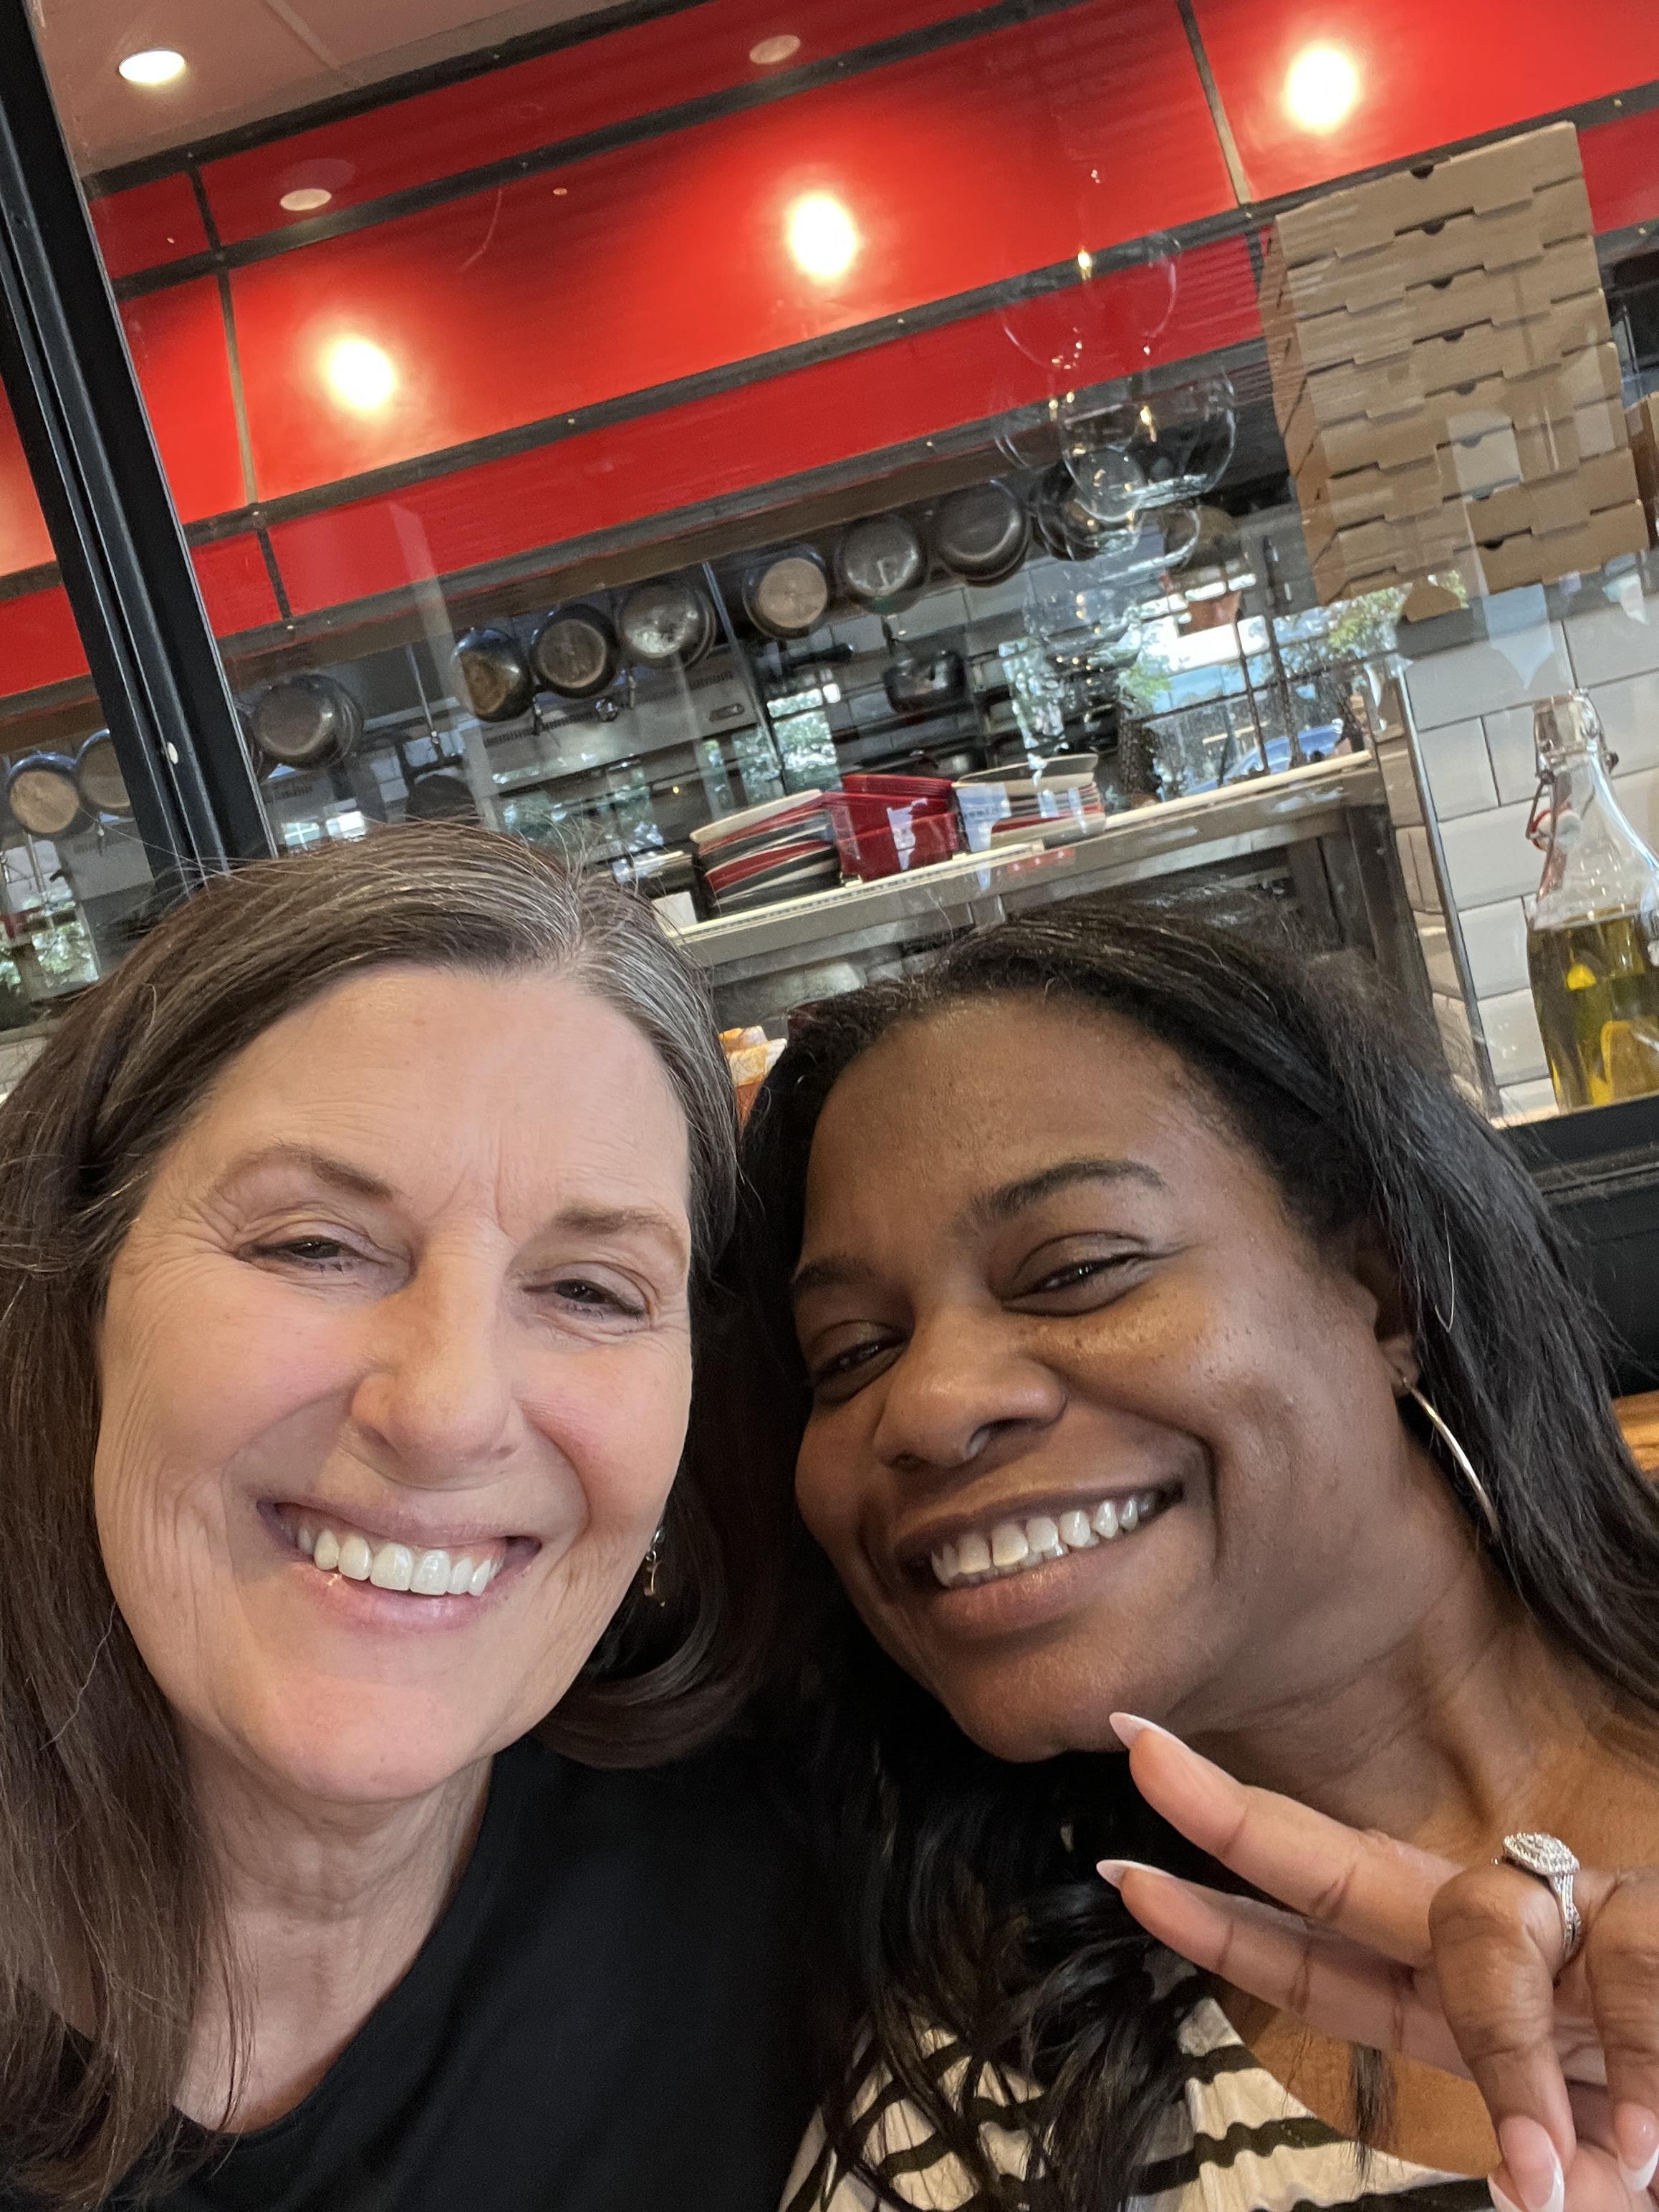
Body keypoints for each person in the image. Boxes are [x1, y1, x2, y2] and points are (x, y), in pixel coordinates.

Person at [721, 892, 1659, 2212]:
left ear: (1382, 1289)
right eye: (852, 1353)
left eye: (1074, 1269)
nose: (924, 1409)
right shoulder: (973, 2132)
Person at [0, 823, 812, 2211]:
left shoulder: (792, 1877)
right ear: (75, 1298)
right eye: (315, 1245)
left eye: (591, 1289)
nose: (445, 1409)